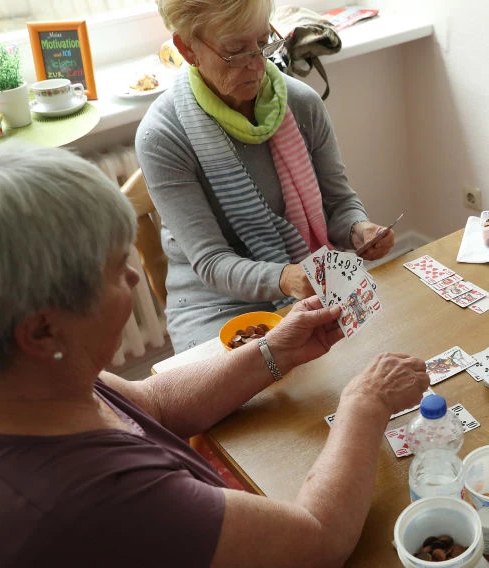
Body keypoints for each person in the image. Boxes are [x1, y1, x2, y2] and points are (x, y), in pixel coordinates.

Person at [0, 145, 426, 568]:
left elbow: (153, 404)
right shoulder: (85, 504)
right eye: (118, 272)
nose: (138, 280)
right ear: (43, 331)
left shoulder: (24, 380)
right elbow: (319, 537)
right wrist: (365, 403)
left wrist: (274, 351)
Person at [136, 0, 396, 351]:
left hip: (304, 275)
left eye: (263, 43)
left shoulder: (302, 104)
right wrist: (284, 278)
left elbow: (339, 203)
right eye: (236, 51)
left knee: (383, 355)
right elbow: (211, 263)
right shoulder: (163, 136)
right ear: (187, 48)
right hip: (213, 303)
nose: (258, 64)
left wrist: (358, 229)